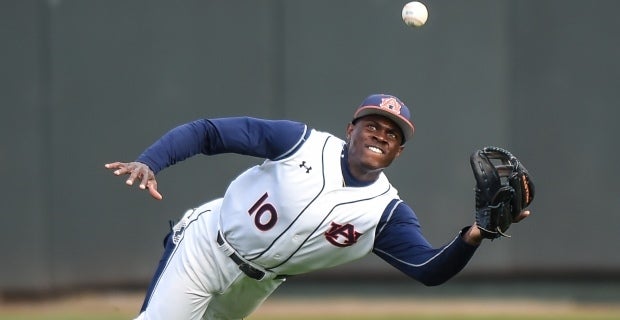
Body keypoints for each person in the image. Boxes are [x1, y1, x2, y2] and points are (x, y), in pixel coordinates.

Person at [105, 93, 530, 320]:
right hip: (205, 249)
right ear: (351, 130)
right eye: (372, 125)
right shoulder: (298, 142)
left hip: (254, 287)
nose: (381, 135)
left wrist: (476, 235)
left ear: (398, 152)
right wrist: (151, 160)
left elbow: (429, 270)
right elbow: (209, 133)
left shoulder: (384, 213)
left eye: (392, 134)